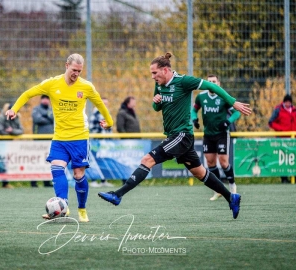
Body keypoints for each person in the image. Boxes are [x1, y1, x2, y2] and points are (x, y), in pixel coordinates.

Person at [98, 52, 252, 219]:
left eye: (154, 73)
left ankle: (117, 195)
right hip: (175, 135)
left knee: (146, 160)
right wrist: (155, 102)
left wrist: (233, 102)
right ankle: (232, 197)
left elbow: (212, 86)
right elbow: (157, 108)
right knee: (200, 173)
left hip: (182, 135)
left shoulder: (184, 81)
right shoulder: (159, 84)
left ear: (165, 70)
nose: (152, 77)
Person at [5, 53, 113, 222]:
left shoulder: (86, 87)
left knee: (78, 176)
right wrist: (14, 109)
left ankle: (82, 209)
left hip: (79, 137)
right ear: (66, 65)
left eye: (79, 71)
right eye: (74, 70)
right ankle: (64, 206)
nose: (76, 74)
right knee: (56, 169)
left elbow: (99, 102)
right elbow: (28, 93)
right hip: (60, 138)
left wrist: (110, 121)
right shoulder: (51, 83)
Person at [191, 74, 241, 201]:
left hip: (222, 134)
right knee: (210, 162)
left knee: (224, 162)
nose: (211, 84)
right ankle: (218, 190)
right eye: (209, 82)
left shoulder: (223, 97)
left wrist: (228, 122)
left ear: (218, 83)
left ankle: (232, 186)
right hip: (208, 134)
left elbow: (236, 112)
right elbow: (193, 110)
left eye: (214, 81)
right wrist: (194, 119)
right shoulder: (201, 97)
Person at [0, 102, 23, 189]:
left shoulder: (16, 118)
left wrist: (11, 131)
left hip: (6, 144)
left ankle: (5, 183)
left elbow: (21, 130)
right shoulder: (0, 118)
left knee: (5, 163)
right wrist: (10, 133)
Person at [268, 94, 296, 183]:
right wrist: (281, 130)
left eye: (289, 102)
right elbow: (271, 122)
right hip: (282, 139)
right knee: (283, 159)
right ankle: (284, 178)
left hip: (293, 139)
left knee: (293, 158)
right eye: (286, 102)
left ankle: (294, 178)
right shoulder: (278, 110)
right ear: (284, 102)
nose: (288, 104)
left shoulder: (294, 110)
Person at [89, 97, 114, 188]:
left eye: (106, 103)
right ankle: (94, 180)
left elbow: (109, 128)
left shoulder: (105, 113)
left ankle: (103, 180)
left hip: (104, 141)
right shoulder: (97, 113)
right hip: (97, 141)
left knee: (103, 160)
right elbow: (101, 128)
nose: (105, 105)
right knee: (95, 161)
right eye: (103, 103)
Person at [116, 96, 141, 184]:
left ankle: (132, 179)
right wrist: (126, 138)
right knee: (126, 161)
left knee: (133, 161)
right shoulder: (122, 113)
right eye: (133, 102)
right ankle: (125, 180)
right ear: (128, 103)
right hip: (127, 142)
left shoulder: (131, 112)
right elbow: (120, 127)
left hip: (135, 141)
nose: (135, 103)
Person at [31, 95, 54, 188]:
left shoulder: (51, 109)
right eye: (44, 99)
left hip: (50, 140)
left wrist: (45, 116)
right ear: (41, 100)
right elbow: (37, 119)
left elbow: (54, 118)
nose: (45, 100)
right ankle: (33, 182)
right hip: (38, 140)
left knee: (48, 161)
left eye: (47, 99)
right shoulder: (36, 109)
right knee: (36, 161)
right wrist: (48, 117)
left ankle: (46, 181)